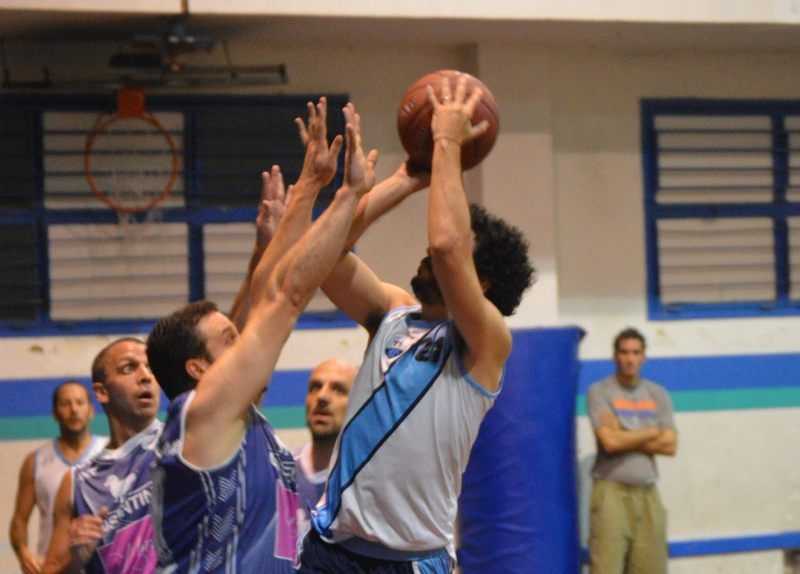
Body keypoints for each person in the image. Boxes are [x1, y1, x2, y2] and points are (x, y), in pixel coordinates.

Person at [299, 75, 535, 573]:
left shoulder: (485, 341)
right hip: (332, 552)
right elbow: (328, 254)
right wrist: (406, 178)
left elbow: (451, 248)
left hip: (411, 561)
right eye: (427, 255)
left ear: (483, 281)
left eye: (439, 258)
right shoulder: (391, 313)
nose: (430, 255)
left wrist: (448, 140)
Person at [146, 96, 377, 572]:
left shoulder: (231, 419)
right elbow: (285, 298)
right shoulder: (204, 411)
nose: (248, 339)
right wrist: (345, 192)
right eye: (230, 341)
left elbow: (263, 302)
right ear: (199, 368)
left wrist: (304, 193)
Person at [42, 337, 162, 574]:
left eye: (150, 367)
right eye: (129, 368)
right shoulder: (78, 482)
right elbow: (51, 569)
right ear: (102, 392)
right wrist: (76, 559)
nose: (145, 376)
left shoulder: (182, 441)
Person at [586, 327, 678, 574]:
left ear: (643, 357)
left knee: (652, 568)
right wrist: (651, 432)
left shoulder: (658, 394)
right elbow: (611, 443)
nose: (630, 358)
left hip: (648, 494)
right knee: (606, 568)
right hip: (611, 494)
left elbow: (671, 445)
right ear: (615, 356)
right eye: (624, 352)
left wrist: (623, 432)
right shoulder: (600, 391)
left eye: (635, 352)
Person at [9, 381, 107, 574]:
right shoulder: (35, 461)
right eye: (65, 403)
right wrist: (23, 553)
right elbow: (19, 520)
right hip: (53, 568)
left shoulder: (109, 453)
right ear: (54, 413)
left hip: (100, 565)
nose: (73, 410)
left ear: (91, 410)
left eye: (80, 402)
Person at [294, 358, 358, 532]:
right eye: (315, 387)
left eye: (338, 390)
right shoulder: (279, 474)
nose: (322, 397)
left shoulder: (367, 482)